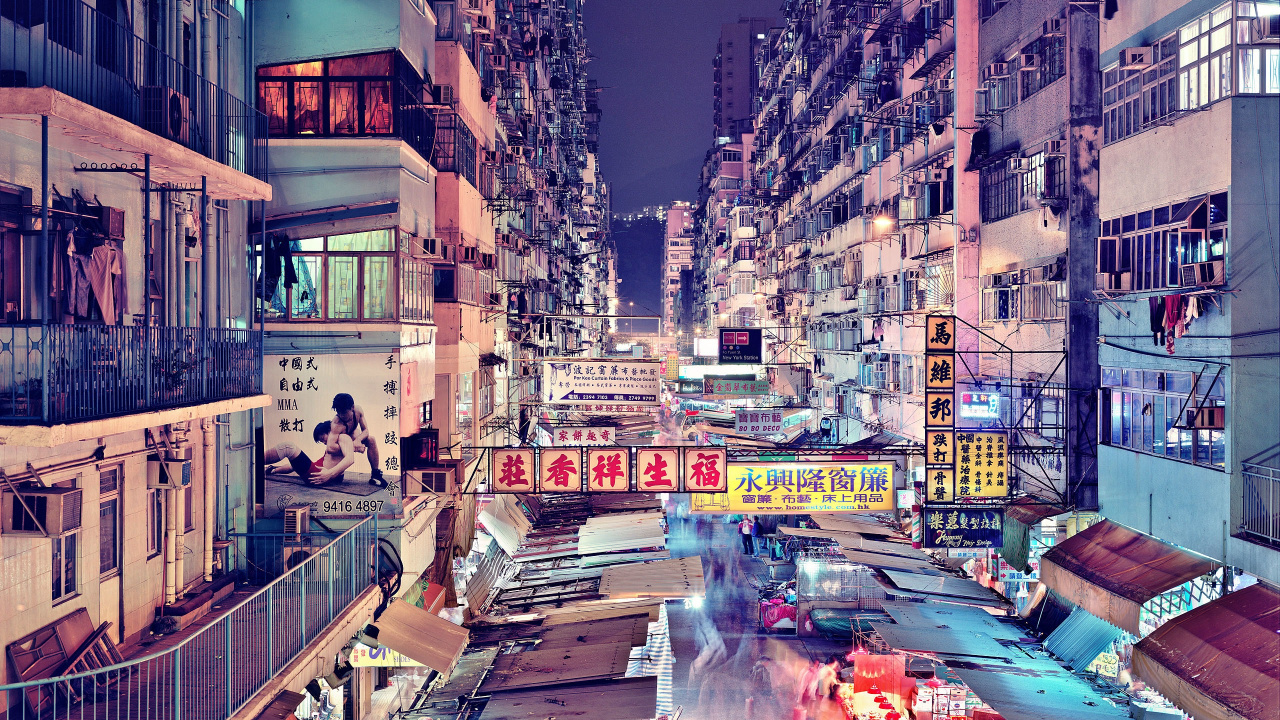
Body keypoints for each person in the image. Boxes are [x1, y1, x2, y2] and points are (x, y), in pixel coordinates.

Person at [264, 421, 357, 486]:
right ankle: (272, 470)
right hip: (317, 472)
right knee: (294, 464)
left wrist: (329, 474)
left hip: (317, 475)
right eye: (322, 441)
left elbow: (350, 459)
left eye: (323, 438)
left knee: (288, 448)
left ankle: (253, 459)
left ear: (330, 430)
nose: (324, 442)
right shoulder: (334, 444)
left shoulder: (343, 437)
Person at [331, 393, 385, 487]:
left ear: (352, 407)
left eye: (343, 412)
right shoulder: (336, 423)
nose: (341, 415)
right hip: (340, 448)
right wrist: (352, 447)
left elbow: (366, 431)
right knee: (337, 481)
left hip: (351, 439)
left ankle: (375, 474)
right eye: (338, 412)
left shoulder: (358, 411)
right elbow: (331, 448)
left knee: (371, 439)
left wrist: (357, 441)